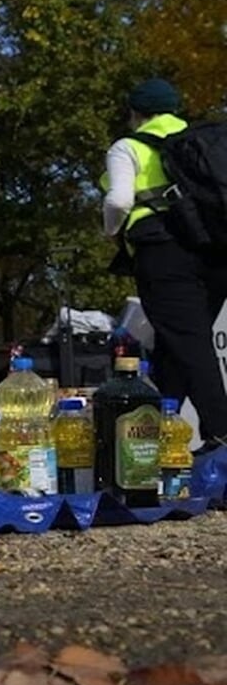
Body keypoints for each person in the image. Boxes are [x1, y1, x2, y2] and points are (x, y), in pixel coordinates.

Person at [103, 77, 227, 451]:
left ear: (134, 113)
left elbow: (120, 199)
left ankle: (221, 437)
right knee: (175, 346)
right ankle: (148, 441)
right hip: (216, 253)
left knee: (190, 345)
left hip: (164, 254)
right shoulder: (201, 142)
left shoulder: (128, 146)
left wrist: (110, 230)